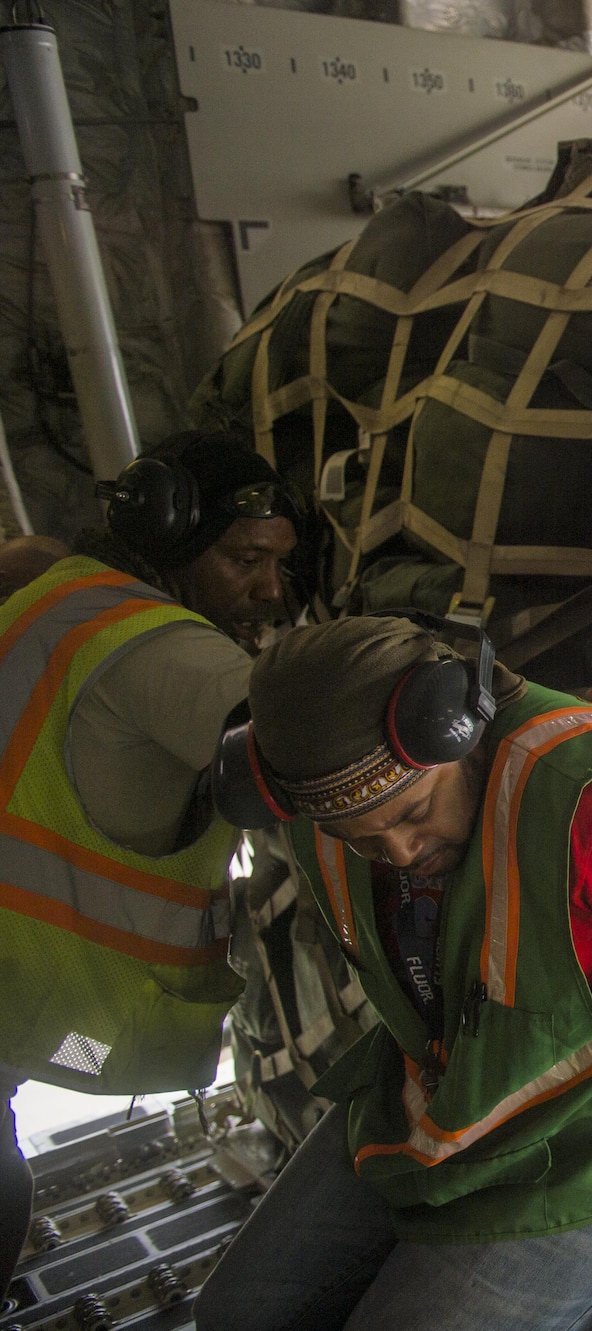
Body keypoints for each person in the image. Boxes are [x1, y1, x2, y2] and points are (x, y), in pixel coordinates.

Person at [196, 615, 592, 1331]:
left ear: (459, 733)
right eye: (358, 838)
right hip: (445, 1105)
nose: (398, 850)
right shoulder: (327, 803)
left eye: (416, 812)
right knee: (236, 1313)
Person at [0, 431, 304, 1292]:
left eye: (279, 563)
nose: (270, 591)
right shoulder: (168, 652)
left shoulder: (62, 593)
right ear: (170, 538)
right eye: (245, 558)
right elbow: (325, 752)